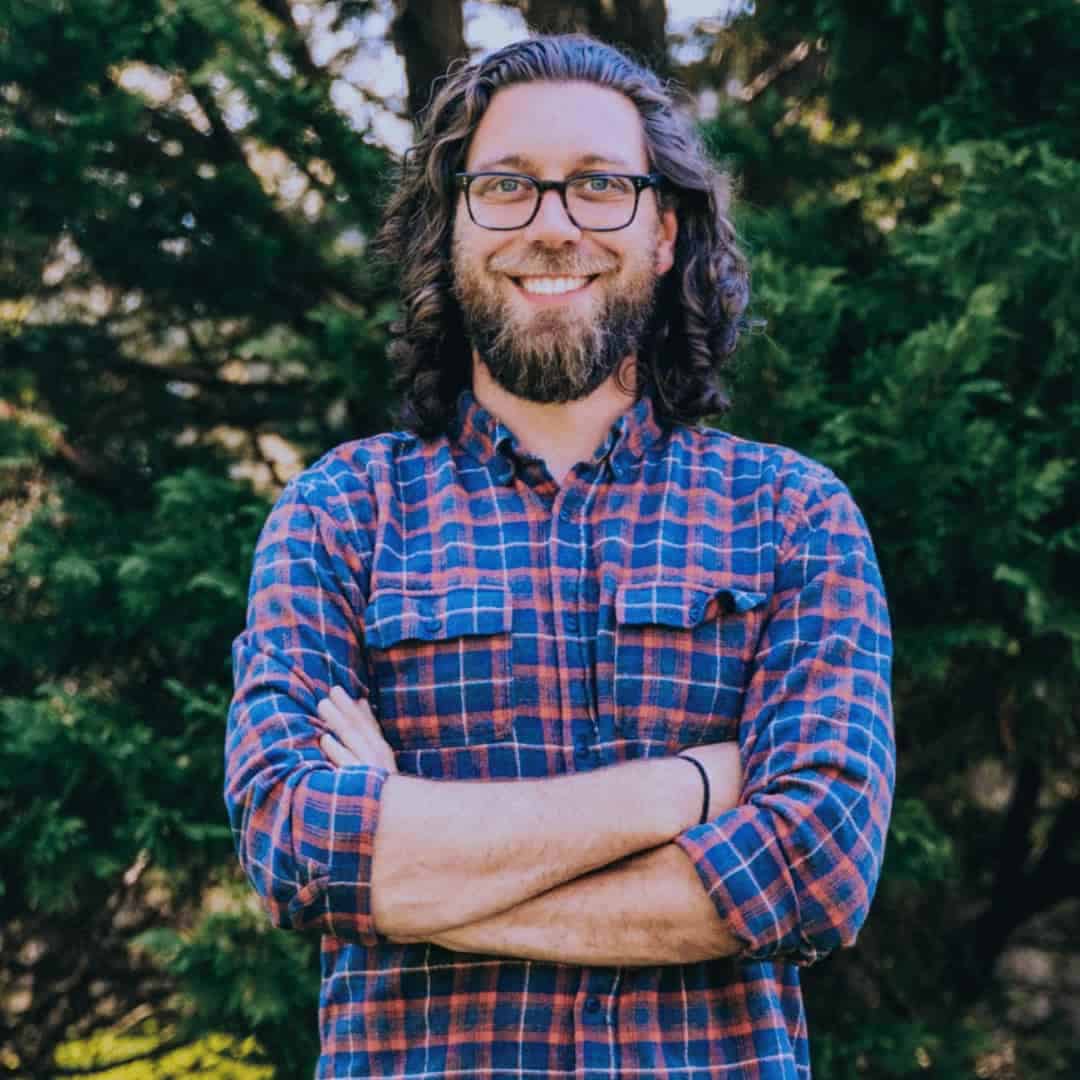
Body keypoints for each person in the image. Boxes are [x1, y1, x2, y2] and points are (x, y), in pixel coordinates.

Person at [225, 34, 895, 1079]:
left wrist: (418, 881)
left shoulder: (791, 517)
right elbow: (295, 847)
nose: (552, 225)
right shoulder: (340, 516)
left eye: (599, 185)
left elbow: (817, 868)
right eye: (506, 186)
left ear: (663, 231)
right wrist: (683, 790)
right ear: (452, 225)